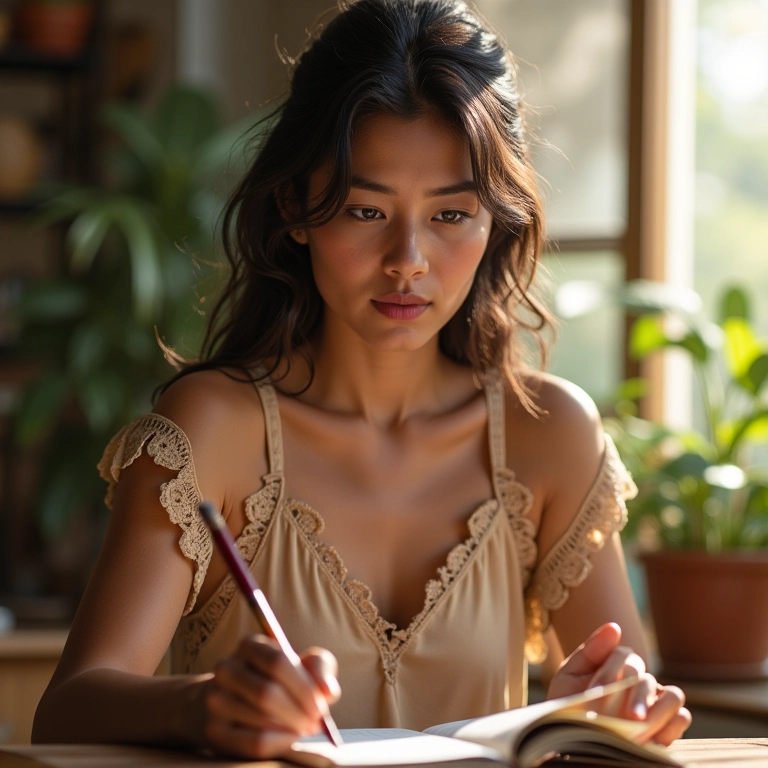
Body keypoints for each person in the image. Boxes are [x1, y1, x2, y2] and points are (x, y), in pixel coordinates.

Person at [33, 0, 691, 759]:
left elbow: (632, 709)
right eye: (364, 208)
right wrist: (205, 706)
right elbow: (69, 708)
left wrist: (610, 713)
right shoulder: (212, 431)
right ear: (295, 206)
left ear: (496, 221)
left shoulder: (550, 437)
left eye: (451, 216)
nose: (407, 258)